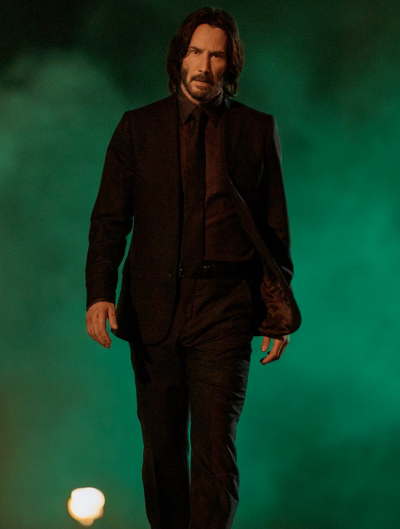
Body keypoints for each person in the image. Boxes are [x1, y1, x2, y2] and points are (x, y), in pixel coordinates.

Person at [84, 7, 300, 529]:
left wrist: (278, 311)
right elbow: (109, 219)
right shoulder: (138, 128)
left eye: (217, 55)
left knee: (214, 452)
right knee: (161, 454)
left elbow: (274, 228)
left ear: (231, 64)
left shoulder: (256, 128)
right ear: (180, 57)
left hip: (225, 309)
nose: (204, 65)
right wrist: (99, 293)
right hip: (154, 309)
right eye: (196, 52)